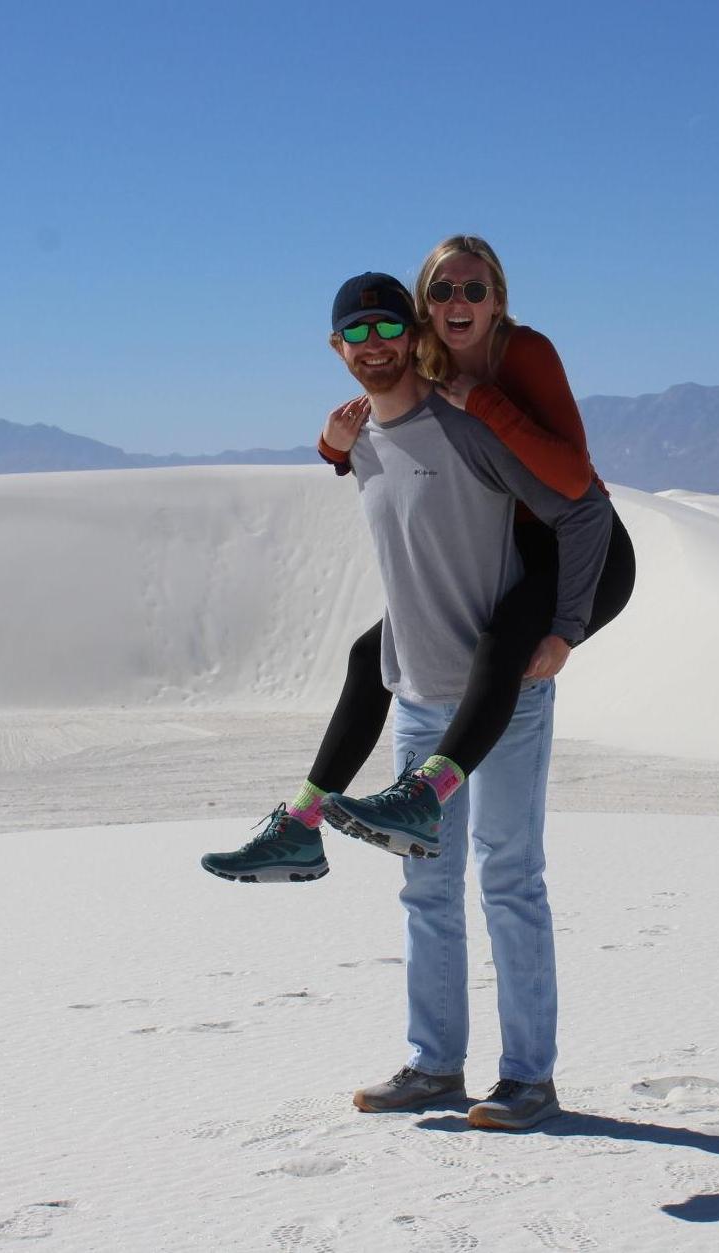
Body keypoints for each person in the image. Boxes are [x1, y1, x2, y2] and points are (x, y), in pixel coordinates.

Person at [200, 236, 634, 882]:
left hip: (586, 550)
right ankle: (302, 822)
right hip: (522, 540)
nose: (458, 301)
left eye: (474, 290)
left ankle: (424, 794)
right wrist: (334, 447)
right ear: (425, 309)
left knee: (501, 644)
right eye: (442, 290)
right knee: (369, 654)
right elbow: (396, 439)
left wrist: (567, 628)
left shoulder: (522, 354)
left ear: (498, 300)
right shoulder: (428, 371)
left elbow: (578, 490)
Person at [323, 271, 612, 1128]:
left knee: (510, 879)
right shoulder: (360, 440)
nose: (372, 345)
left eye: (385, 327)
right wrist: (335, 446)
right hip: (416, 698)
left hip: (505, 696)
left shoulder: (467, 423)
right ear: (337, 349)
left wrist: (563, 629)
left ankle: (530, 1077)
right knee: (426, 889)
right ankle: (433, 1063)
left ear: (410, 332)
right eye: (355, 333)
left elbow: (581, 510)